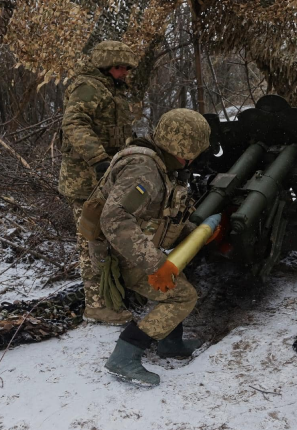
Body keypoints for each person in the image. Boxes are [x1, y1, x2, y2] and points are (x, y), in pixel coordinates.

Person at [88, 109, 212, 386]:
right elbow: (116, 220)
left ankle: (171, 343)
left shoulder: (158, 164)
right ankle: (123, 356)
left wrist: (194, 233)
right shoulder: (143, 170)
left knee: (177, 277)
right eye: (192, 153)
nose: (193, 160)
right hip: (121, 255)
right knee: (182, 295)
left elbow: (159, 216)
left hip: (133, 248)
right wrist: (157, 264)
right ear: (182, 150)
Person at [59, 40, 137, 325]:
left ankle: (115, 293)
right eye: (119, 67)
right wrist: (99, 158)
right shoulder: (88, 87)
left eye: (126, 68)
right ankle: (96, 305)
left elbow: (117, 130)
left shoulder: (112, 89)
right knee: (91, 242)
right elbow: (74, 124)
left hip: (108, 178)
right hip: (85, 180)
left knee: (113, 237)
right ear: (105, 65)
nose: (124, 73)